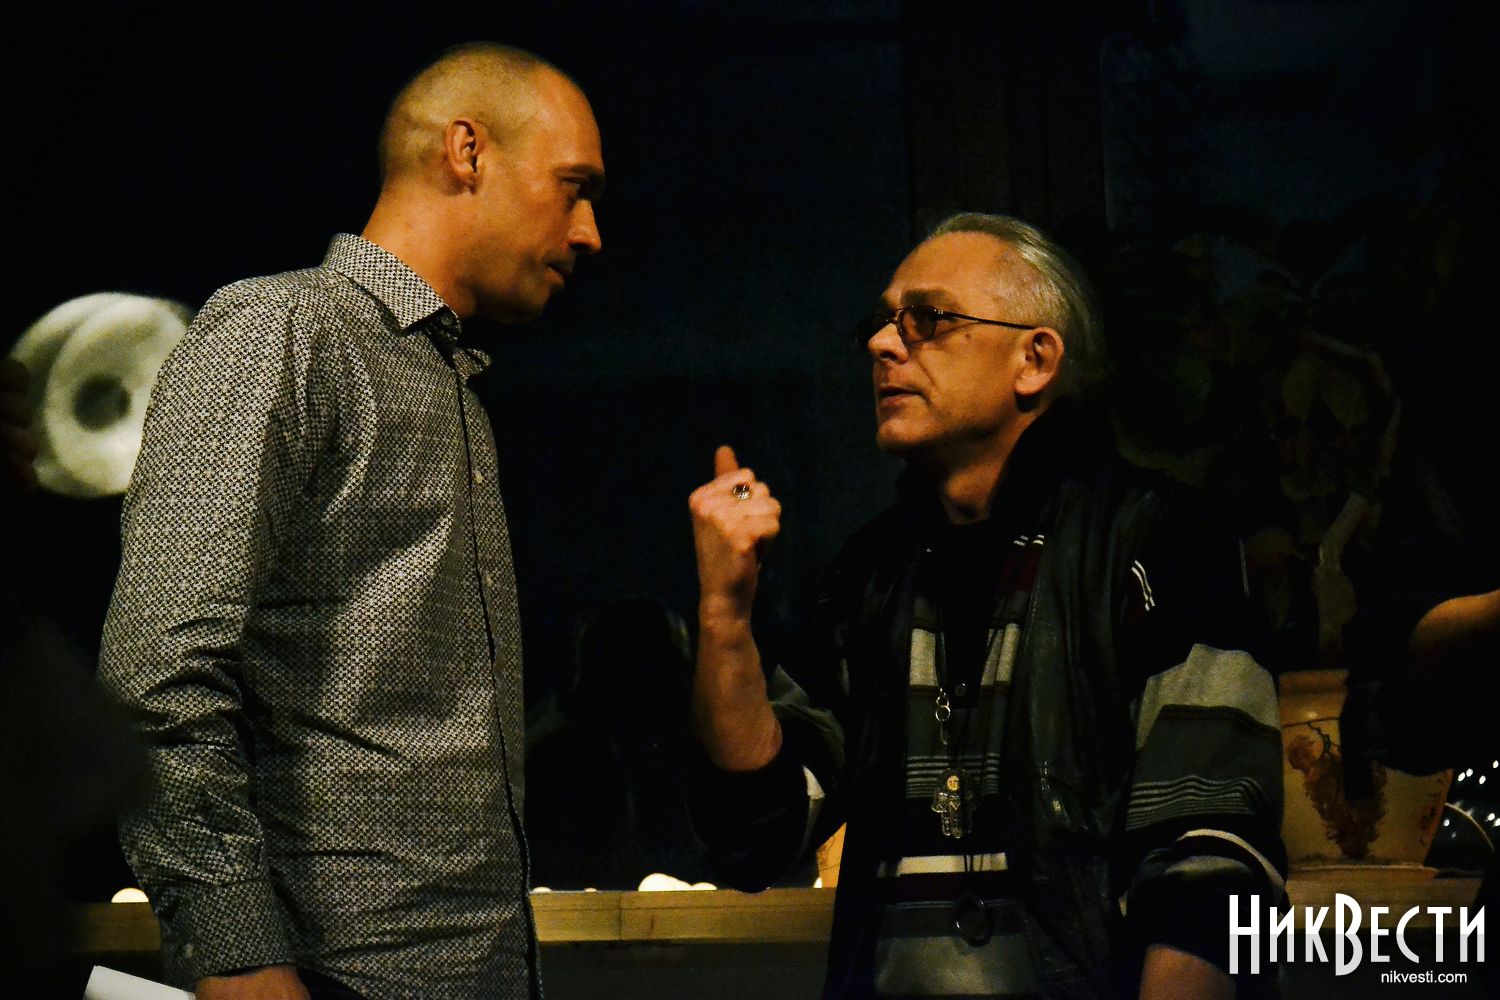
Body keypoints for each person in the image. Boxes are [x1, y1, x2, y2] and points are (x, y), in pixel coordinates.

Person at [99, 42, 604, 1000]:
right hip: (336, 977)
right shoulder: (281, 329)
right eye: (573, 187)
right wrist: (238, 955)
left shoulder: (449, 382)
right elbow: (154, 677)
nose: (590, 232)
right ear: (467, 151)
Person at [687, 213, 1285, 998]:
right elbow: (757, 834)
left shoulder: (1157, 543)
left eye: (928, 319)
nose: (883, 344)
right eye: (882, 323)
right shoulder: (873, 573)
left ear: (1034, 360)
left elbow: (1209, 874)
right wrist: (725, 617)